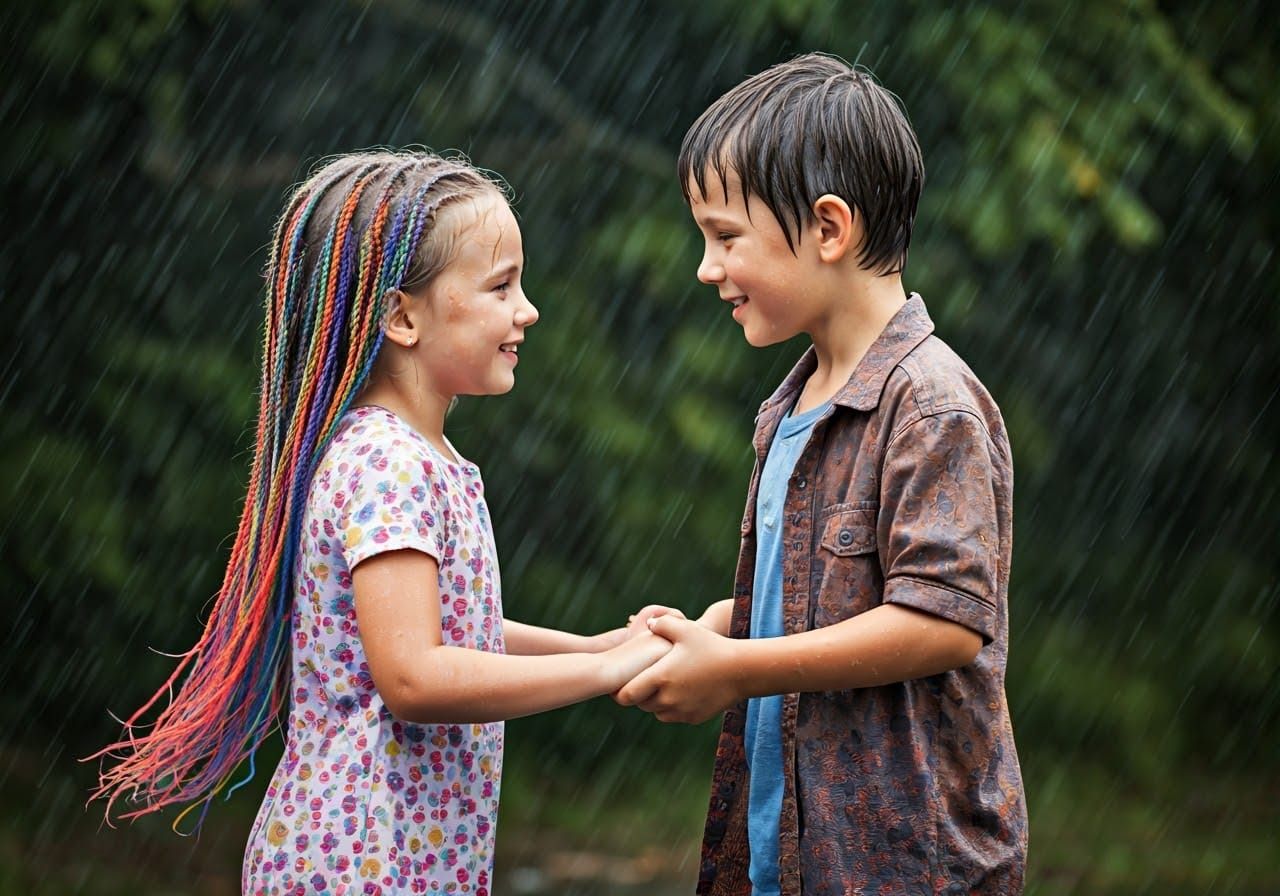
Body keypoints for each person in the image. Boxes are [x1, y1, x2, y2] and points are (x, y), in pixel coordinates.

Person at [88, 149, 671, 895]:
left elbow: (459, 628)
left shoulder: (420, 455)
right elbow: (414, 674)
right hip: (361, 862)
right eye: (501, 287)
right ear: (401, 315)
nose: (527, 310)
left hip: (400, 859)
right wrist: (600, 671)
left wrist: (601, 645)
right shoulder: (386, 464)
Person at [616, 54, 1028, 894]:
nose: (706, 267)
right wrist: (725, 625)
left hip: (903, 865)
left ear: (830, 229)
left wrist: (734, 668)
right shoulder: (792, 403)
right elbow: (825, 596)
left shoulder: (930, 405)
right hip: (790, 854)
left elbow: (942, 624)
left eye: (725, 237)